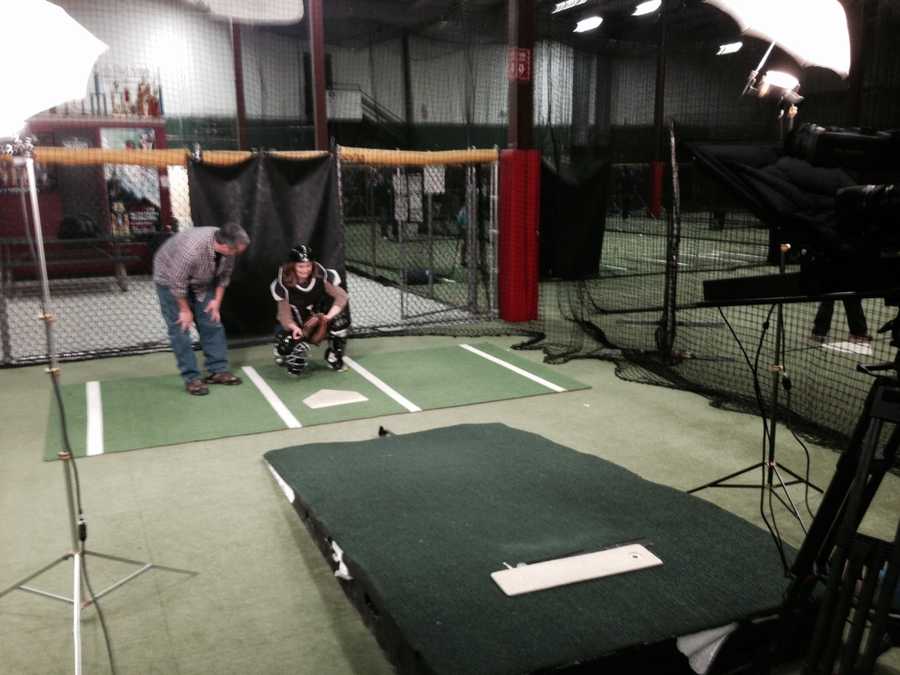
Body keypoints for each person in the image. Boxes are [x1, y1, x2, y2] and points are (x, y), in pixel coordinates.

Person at [153, 222, 250, 395]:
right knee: (180, 328)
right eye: (235, 251)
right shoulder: (190, 251)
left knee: (212, 320)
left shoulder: (229, 250)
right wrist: (185, 310)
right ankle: (192, 378)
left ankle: (218, 370)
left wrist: (216, 302)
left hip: (202, 280)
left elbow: (224, 277)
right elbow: (177, 284)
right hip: (170, 280)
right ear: (224, 245)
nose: (236, 255)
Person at [270, 244, 350, 376]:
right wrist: (294, 328)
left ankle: (333, 357)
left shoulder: (320, 276)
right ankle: (280, 350)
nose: (305, 270)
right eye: (300, 266)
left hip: (314, 317)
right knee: (292, 358)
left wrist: (328, 317)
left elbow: (342, 296)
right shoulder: (283, 284)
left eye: (308, 265)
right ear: (292, 266)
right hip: (294, 323)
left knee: (340, 323)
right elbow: (284, 315)